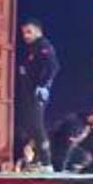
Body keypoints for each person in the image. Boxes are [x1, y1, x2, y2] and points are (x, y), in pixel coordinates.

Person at [16, 18, 60, 166]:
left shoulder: (43, 46)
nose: (26, 36)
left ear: (38, 31)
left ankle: (46, 162)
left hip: (37, 94)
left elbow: (53, 66)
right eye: (24, 33)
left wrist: (42, 86)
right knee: (30, 126)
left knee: (37, 126)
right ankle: (37, 161)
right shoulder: (33, 48)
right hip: (29, 94)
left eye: (29, 32)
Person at [50, 105, 93, 173]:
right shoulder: (76, 124)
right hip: (57, 150)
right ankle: (61, 170)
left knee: (85, 157)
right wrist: (60, 169)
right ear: (91, 117)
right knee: (82, 157)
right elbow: (65, 147)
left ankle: (70, 171)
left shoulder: (87, 126)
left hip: (68, 149)